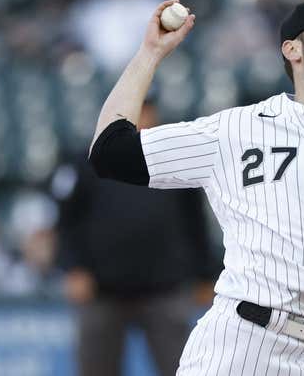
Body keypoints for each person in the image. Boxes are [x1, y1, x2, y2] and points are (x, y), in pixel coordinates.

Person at [89, 0, 304, 375]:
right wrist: (149, 54)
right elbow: (109, 151)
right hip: (241, 344)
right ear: (292, 50)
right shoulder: (236, 129)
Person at [58, 98, 218, 376]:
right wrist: (73, 267)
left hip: (166, 286)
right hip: (101, 288)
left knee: (182, 368)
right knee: (96, 369)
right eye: (134, 108)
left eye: (146, 109)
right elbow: (67, 222)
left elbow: (195, 222)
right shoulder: (87, 160)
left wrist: (205, 274)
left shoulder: (174, 157)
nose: (141, 116)